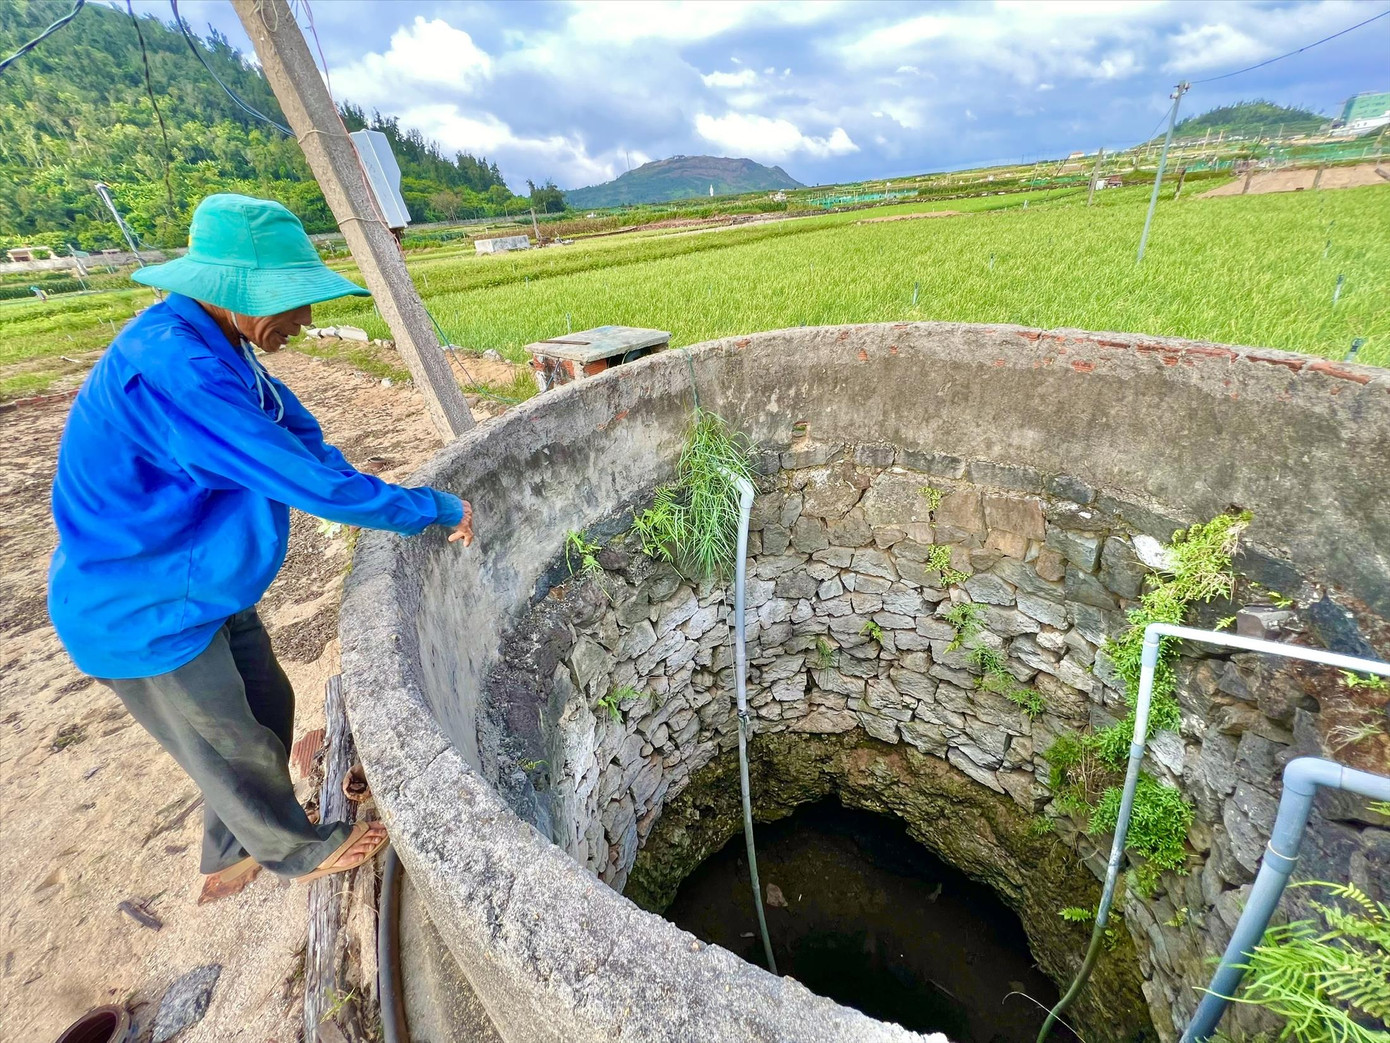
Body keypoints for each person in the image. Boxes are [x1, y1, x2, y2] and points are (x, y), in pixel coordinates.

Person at [47, 193, 474, 900]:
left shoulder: (222, 346)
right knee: (231, 743)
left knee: (265, 703)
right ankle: (295, 851)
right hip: (142, 602)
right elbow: (304, 480)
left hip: (197, 578)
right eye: (291, 301)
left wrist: (370, 484)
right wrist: (429, 508)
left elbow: (298, 436)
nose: (303, 320)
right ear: (233, 294)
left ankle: (228, 849)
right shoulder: (179, 369)